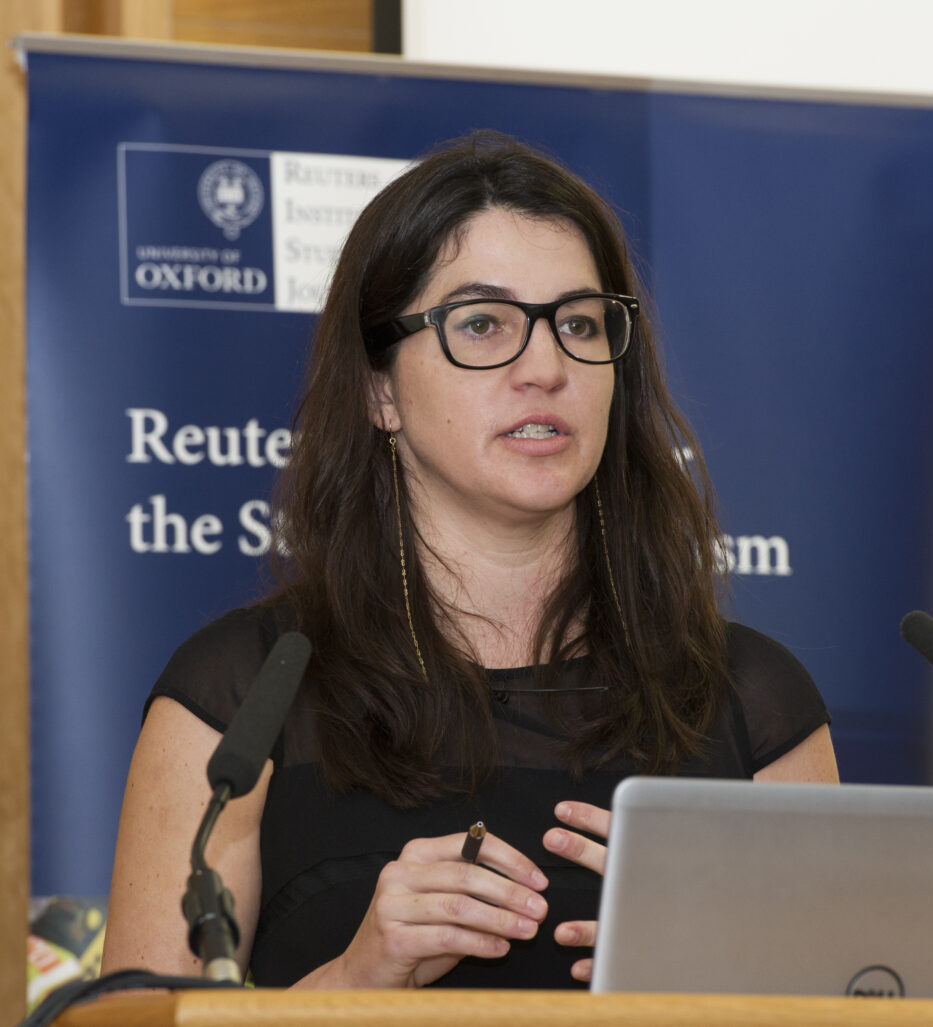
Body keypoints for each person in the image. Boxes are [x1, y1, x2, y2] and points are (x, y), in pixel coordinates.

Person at [100, 131, 838, 991]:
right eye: (482, 324)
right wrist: (356, 982)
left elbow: (858, 998)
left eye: (578, 323)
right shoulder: (243, 699)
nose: (545, 367)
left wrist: (730, 979)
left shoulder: (752, 701)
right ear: (380, 389)